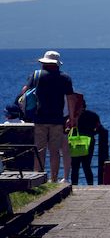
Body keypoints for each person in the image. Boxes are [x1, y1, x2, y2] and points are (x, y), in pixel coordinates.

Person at [20, 51, 79, 183]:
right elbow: (70, 99)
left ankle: (38, 177)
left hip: (38, 118)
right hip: (57, 120)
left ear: (44, 63)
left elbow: (25, 93)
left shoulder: (36, 75)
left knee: (39, 150)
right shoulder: (65, 78)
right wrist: (72, 118)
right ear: (57, 64)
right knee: (55, 152)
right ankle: (53, 179)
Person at [70, 97, 101, 186]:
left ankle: (74, 185)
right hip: (89, 141)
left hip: (76, 142)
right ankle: (90, 184)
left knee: (75, 166)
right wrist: (92, 133)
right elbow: (99, 128)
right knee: (86, 165)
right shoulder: (93, 115)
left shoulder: (73, 117)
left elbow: (69, 128)